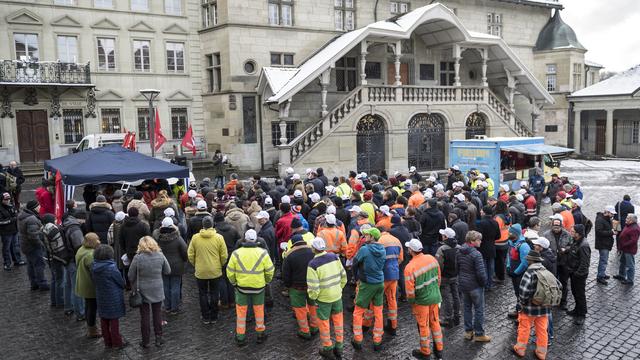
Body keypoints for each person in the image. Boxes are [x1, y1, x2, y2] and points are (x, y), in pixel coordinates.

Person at [226, 228, 275, 346]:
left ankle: (240, 337)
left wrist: (234, 283)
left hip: (241, 288)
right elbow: (269, 271)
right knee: (259, 311)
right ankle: (260, 334)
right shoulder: (263, 253)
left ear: (245, 239)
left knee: (241, 313)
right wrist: (266, 281)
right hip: (259, 287)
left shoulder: (236, 253)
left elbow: (230, 272)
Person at [403, 238, 444, 359]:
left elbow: (410, 292)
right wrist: (435, 291)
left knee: (423, 325)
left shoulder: (410, 268)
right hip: (435, 297)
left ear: (411, 250)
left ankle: (425, 351)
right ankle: (439, 349)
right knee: (435, 323)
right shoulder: (431, 259)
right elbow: (439, 278)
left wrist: (412, 302)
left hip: (421, 302)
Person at [307, 238, 347, 359]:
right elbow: (343, 276)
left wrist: (314, 298)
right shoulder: (334, 257)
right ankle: (339, 347)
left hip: (323, 299)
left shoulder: (312, 265)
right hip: (337, 296)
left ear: (314, 249)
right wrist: (338, 289)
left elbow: (313, 288)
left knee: (324, 324)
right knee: (338, 322)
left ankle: (327, 348)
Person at [129, 236, 171, 348]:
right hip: (157, 288)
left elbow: (130, 275)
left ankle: (146, 341)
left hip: (142, 289)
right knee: (157, 314)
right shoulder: (160, 255)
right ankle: (159, 338)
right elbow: (168, 271)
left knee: (145, 316)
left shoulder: (138, 258)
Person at [512, 250, 554, 360]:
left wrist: (522, 304)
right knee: (542, 330)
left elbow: (523, 292)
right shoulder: (546, 271)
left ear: (530, 260)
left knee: (524, 328)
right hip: (544, 308)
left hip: (529, 309)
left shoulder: (529, 273)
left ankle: (520, 349)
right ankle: (541, 352)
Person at [188, 216, 228, 323]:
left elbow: (190, 254)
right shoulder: (219, 238)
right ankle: (214, 316)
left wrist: (196, 265)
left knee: (203, 293)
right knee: (215, 293)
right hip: (215, 270)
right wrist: (220, 264)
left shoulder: (195, 238)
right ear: (213, 224)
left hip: (201, 271)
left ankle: (205, 316)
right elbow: (224, 255)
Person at [282, 234, 318, 340]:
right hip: (311, 284)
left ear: (292, 243)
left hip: (297, 287)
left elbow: (286, 274)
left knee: (300, 309)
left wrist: (288, 286)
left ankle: (305, 331)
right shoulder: (313, 251)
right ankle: (314, 327)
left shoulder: (289, 255)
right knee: (312, 305)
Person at [457, 231, 490, 343]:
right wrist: (484, 283)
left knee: (467, 308)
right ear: (472, 241)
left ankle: (468, 332)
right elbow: (481, 273)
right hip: (475, 286)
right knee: (479, 309)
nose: (480, 241)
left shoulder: (459, 251)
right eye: (478, 240)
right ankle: (479, 334)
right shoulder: (476, 254)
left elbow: (458, 268)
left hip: (464, 285)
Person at [92, 244, 127, 349]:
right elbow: (120, 281)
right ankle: (117, 342)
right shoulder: (111, 268)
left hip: (101, 295)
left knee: (104, 320)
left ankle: (107, 342)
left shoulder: (93, 267)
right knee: (114, 321)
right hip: (113, 297)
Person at [154, 217, 188, 314]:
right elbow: (184, 250)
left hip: (163, 265)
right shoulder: (177, 238)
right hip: (176, 265)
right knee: (175, 286)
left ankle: (167, 306)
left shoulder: (158, 238)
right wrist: (184, 260)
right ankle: (174, 307)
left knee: (165, 285)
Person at [376, 228, 403, 335]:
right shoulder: (396, 240)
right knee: (392, 299)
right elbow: (400, 258)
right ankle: (393, 325)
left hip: (383, 275)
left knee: (378, 301)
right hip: (394, 273)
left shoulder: (380, 241)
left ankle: (377, 326)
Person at [41, 213, 70, 308]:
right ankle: (60, 301)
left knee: (54, 279)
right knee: (60, 280)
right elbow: (59, 247)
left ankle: (54, 301)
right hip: (57, 258)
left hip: (50, 257)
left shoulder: (43, 229)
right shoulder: (53, 230)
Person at [75, 233, 101, 338]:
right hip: (89, 285)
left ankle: (90, 327)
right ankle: (92, 330)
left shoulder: (81, 249)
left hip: (82, 282)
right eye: (97, 239)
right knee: (92, 308)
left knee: (88, 306)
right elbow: (94, 273)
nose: (99, 241)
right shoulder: (90, 255)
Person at [18, 200, 49, 290]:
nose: (40, 208)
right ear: (35, 208)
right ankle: (42, 284)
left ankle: (34, 283)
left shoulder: (22, 216)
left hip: (25, 245)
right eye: (39, 206)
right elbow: (33, 236)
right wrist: (41, 245)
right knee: (39, 265)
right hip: (33, 246)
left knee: (31, 265)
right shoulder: (32, 219)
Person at [62, 212, 85, 320]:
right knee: (77, 287)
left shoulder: (66, 223)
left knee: (68, 284)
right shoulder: (75, 229)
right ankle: (80, 312)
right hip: (73, 260)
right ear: (80, 219)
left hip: (65, 258)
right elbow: (80, 247)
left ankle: (68, 307)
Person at [435, 228, 460, 328]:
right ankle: (457, 315)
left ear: (445, 237)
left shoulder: (442, 249)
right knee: (455, 295)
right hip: (455, 275)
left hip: (445, 276)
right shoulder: (459, 247)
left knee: (446, 297)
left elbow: (438, 264)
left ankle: (448, 318)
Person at [120, 207, 150, 288]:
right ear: (137, 214)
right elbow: (148, 239)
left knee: (130, 268)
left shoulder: (123, 226)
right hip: (142, 251)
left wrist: (126, 249)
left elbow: (121, 240)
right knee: (141, 269)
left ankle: (130, 285)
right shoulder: (143, 225)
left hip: (129, 251)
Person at [506, 224, 531, 319]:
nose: (508, 233)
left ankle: (522, 315)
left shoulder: (524, 246)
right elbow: (509, 255)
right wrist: (508, 266)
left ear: (516, 234)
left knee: (522, 294)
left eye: (510, 232)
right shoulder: (511, 242)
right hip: (514, 273)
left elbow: (525, 262)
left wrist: (516, 272)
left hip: (520, 274)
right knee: (517, 293)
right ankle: (518, 310)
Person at [567, 224, 590, 325]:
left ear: (578, 234)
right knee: (575, 292)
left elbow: (585, 263)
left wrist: (577, 274)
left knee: (580, 294)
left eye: (573, 232)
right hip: (573, 272)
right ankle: (577, 309)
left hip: (579, 275)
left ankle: (582, 314)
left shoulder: (584, 245)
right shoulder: (576, 241)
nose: (571, 233)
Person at [476, 205, 500, 291]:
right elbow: (498, 236)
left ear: (485, 212)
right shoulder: (495, 222)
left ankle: (485, 284)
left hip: (482, 247)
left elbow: (478, 237)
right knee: (491, 267)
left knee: (484, 267)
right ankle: (490, 284)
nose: (480, 212)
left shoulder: (481, 223)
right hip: (492, 247)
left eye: (482, 211)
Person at [0, 192, 23, 270]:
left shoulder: (11, 206)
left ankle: (17, 260)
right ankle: (7, 263)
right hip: (6, 232)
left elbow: (16, 214)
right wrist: (11, 220)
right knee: (6, 248)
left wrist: (13, 218)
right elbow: (1, 221)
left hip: (14, 230)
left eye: (9, 199)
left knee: (16, 246)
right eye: (6, 199)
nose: (8, 201)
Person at [595, 205, 617, 285]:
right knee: (603, 260)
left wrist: (612, 230)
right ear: (607, 212)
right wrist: (611, 232)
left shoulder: (607, 219)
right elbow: (599, 232)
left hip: (606, 243)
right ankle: (600, 277)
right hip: (603, 244)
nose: (613, 215)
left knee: (604, 260)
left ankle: (602, 273)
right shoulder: (600, 220)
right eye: (611, 213)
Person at [615, 213, 640, 285]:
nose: (626, 219)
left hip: (629, 250)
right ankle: (621, 275)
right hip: (625, 249)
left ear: (632, 221)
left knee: (630, 265)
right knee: (622, 262)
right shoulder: (629, 225)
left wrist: (624, 245)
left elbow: (633, 241)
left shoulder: (635, 229)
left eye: (627, 218)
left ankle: (630, 280)